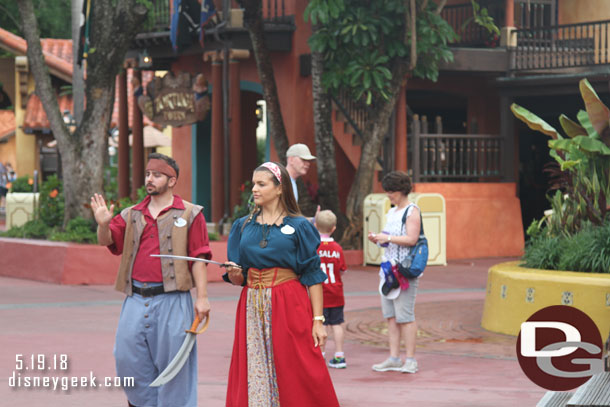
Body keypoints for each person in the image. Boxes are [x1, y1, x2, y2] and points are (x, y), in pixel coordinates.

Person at [91, 153, 212, 407]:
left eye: (157, 175)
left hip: (174, 300)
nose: (150, 179)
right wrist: (103, 224)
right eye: (148, 174)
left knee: (175, 368)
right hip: (134, 298)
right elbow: (108, 241)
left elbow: (199, 257)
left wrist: (202, 298)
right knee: (126, 360)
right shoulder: (131, 214)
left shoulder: (191, 213)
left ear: (172, 180)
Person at [223, 161, 339, 407]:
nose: (254, 189)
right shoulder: (242, 226)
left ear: (279, 189)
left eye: (261, 184)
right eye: (254, 183)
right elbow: (239, 275)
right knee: (254, 362)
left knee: (296, 363)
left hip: (289, 301)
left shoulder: (299, 227)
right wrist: (235, 274)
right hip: (251, 303)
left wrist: (318, 321)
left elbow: (312, 275)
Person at [367, 171, 421, 374]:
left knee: (405, 316)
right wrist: (380, 238)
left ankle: (411, 359)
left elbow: (411, 239)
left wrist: (386, 238)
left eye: (392, 191)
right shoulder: (393, 211)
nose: (389, 195)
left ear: (401, 190)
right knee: (391, 316)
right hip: (388, 269)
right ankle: (394, 357)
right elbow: (392, 237)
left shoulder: (412, 211)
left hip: (403, 270)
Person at [315, 209, 348, 369]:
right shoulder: (337, 248)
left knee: (319, 324)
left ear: (315, 226)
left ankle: (320, 355)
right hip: (336, 292)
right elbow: (342, 269)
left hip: (319, 294)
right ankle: (339, 355)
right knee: (337, 323)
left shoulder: (314, 247)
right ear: (334, 228)